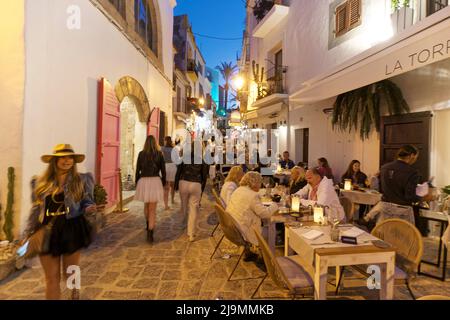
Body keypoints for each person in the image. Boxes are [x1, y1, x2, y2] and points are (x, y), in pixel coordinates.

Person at [23, 144, 96, 300]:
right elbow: (35, 210)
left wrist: (90, 208)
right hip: (47, 231)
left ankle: (74, 292)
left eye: (70, 157)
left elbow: (87, 201)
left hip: (72, 228)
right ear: (54, 160)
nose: (67, 160)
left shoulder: (82, 179)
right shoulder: (40, 182)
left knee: (70, 271)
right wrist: (28, 232)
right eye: (62, 157)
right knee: (51, 278)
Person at [363, 145, 434, 228]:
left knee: (383, 236)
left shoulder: (384, 168)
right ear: (411, 155)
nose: (415, 160)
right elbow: (409, 196)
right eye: (416, 157)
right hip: (402, 211)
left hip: (385, 209)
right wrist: (424, 198)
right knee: (401, 238)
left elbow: (379, 189)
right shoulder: (412, 172)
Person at [227, 172, 279, 254]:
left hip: (234, 227)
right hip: (244, 231)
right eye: (260, 182)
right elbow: (265, 214)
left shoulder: (238, 189)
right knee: (271, 228)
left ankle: (250, 253)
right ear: (255, 183)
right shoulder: (252, 195)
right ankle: (268, 258)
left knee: (264, 222)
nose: (260, 185)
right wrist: (276, 204)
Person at [174, 141, 209, 242]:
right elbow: (204, 177)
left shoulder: (184, 158)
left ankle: (183, 224)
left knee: (184, 206)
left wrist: (176, 185)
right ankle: (191, 234)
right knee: (194, 209)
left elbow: (178, 172)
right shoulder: (202, 161)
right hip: (196, 184)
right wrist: (201, 192)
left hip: (183, 182)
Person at [135, 135, 166, 244]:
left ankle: (148, 224)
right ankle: (150, 233)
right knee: (152, 209)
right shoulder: (159, 154)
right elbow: (163, 170)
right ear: (155, 143)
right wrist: (163, 182)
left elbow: (137, 170)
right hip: (154, 181)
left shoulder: (141, 154)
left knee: (146, 206)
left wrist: (136, 183)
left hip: (143, 180)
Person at [161, 136, 176, 210]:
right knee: (172, 185)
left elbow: (161, 157)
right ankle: (172, 200)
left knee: (166, 187)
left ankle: (166, 205)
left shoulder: (162, 148)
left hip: (166, 166)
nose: (164, 141)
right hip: (173, 167)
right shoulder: (174, 149)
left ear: (166, 141)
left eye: (164, 140)